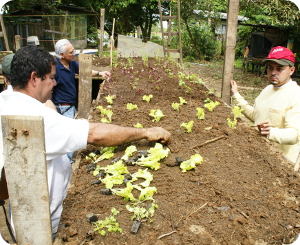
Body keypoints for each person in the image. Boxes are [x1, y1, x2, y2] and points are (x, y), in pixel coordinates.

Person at [0, 45, 171, 240]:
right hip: (39, 226)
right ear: (34, 78)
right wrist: (145, 132)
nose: (55, 83)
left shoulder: (5, 102)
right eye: (52, 78)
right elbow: (94, 134)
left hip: (20, 211)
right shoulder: (34, 119)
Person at [231, 46, 300, 171]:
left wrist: (270, 132)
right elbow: (256, 116)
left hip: (282, 164)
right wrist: (236, 95)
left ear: (292, 70)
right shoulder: (267, 90)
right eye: (270, 68)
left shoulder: (296, 95)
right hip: (260, 155)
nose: (273, 73)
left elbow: (295, 134)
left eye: (280, 69)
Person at [51, 39, 111, 163]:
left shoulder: (72, 63)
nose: (74, 54)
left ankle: (65, 159)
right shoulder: (54, 68)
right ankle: (66, 161)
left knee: (66, 133)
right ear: (62, 55)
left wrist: (100, 73)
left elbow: (86, 71)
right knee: (66, 134)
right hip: (60, 106)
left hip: (69, 106)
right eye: (71, 52)